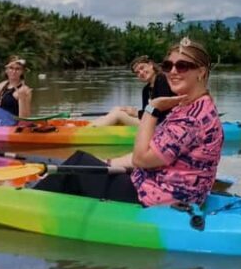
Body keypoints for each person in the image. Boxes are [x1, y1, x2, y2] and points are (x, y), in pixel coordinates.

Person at [33, 38, 224, 207]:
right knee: (84, 165)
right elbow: (153, 152)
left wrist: (151, 110)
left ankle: (30, 203)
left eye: (182, 66)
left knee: (78, 162)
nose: (173, 72)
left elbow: (140, 160)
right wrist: (106, 164)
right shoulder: (195, 106)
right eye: (168, 66)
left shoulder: (190, 118)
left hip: (161, 198)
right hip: (164, 189)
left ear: (201, 72)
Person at [89, 55, 174, 127]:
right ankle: (90, 126)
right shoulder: (146, 90)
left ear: (151, 65)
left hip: (162, 124)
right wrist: (134, 112)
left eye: (142, 68)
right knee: (117, 109)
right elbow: (147, 111)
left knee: (119, 114)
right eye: (137, 72)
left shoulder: (162, 80)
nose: (141, 73)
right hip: (150, 121)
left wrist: (136, 113)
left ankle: (89, 130)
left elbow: (163, 109)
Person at [0, 55, 32, 123]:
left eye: (17, 69)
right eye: (11, 68)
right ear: (6, 70)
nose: (14, 71)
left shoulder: (24, 90)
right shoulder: (3, 85)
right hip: (0, 123)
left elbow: (24, 120)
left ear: (22, 71)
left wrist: (22, 99)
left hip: (14, 125)